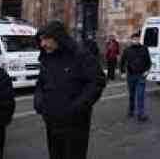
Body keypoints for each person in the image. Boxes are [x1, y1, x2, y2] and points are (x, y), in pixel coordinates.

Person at [34, 21, 106, 159]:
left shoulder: (81, 56)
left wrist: (77, 107)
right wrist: (39, 102)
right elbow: (41, 83)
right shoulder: (47, 58)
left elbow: (97, 81)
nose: (43, 44)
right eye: (41, 40)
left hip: (75, 123)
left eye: (46, 39)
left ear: (58, 37)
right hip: (52, 121)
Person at [120, 32, 151, 121]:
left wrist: (147, 71)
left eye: (137, 39)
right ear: (131, 40)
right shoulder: (127, 50)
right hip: (131, 75)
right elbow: (122, 62)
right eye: (134, 39)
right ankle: (131, 110)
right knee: (132, 95)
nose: (136, 40)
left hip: (141, 75)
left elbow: (148, 62)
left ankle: (141, 114)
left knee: (140, 95)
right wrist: (122, 72)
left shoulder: (144, 49)